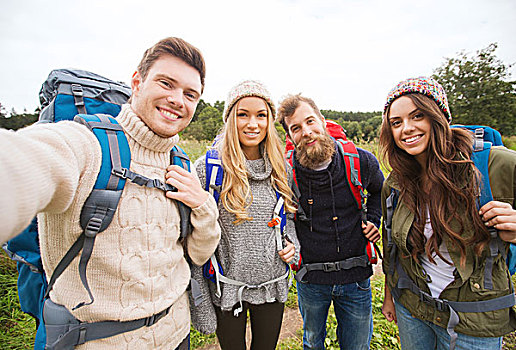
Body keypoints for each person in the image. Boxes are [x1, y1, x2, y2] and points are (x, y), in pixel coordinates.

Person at [0, 37, 221, 350]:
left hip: (176, 336)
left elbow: (197, 253)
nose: (177, 99)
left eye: (190, 94)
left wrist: (202, 205)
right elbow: (25, 163)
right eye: (166, 83)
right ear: (137, 82)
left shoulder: (180, 163)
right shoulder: (87, 145)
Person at [379, 76, 516, 350]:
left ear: (438, 116)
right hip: (413, 310)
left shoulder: (494, 163)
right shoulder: (396, 183)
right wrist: (390, 295)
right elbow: (393, 246)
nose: (406, 128)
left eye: (417, 116)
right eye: (396, 122)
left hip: (474, 322)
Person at [191, 80, 300, 349]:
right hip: (226, 289)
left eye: (261, 115)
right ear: (230, 119)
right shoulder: (208, 169)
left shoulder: (281, 169)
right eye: (243, 114)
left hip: (272, 286)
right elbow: (194, 237)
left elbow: (288, 222)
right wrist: (201, 301)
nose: (253, 124)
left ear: (270, 120)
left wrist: (292, 247)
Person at [276, 94, 384, 350]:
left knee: (357, 345)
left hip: (356, 276)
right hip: (311, 279)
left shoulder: (360, 160)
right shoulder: (286, 171)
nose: (306, 132)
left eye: (310, 121)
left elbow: (381, 190)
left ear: (322, 121)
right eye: (296, 128)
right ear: (290, 137)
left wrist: (373, 220)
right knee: (313, 342)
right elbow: (283, 215)